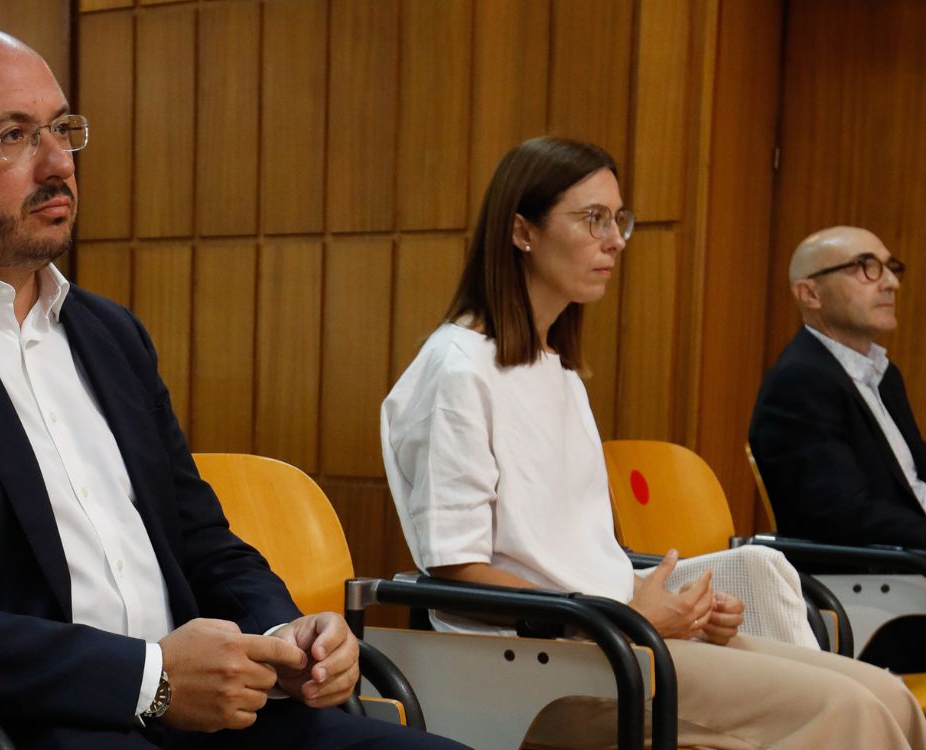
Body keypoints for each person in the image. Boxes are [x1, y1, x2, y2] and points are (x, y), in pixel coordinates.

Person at [0, 25, 466, 750]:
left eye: (61, 128)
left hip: (214, 716)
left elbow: (203, 543)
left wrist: (285, 634)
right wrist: (146, 679)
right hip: (10, 723)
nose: (58, 163)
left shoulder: (108, 333)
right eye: (12, 136)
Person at [381, 136, 926, 749]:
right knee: (850, 711)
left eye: (619, 219)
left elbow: (574, 553)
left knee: (888, 696)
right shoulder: (457, 370)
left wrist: (672, 607)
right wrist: (627, 613)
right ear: (522, 231)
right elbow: (456, 568)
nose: (614, 239)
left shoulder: (554, 368)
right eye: (593, 219)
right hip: (541, 666)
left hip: (607, 635)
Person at [749, 226, 926, 548]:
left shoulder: (885, 376)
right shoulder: (800, 382)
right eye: (865, 268)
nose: (891, 283)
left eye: (890, 267)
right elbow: (842, 516)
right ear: (810, 294)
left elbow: (913, 482)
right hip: (872, 575)